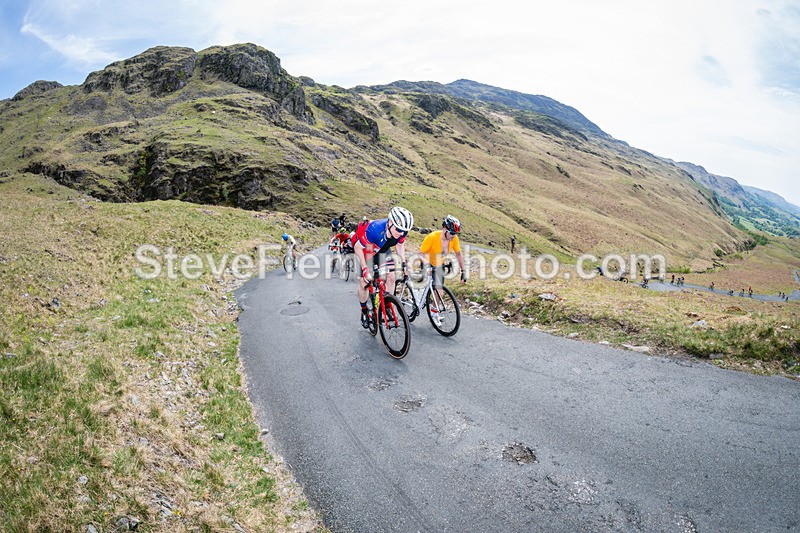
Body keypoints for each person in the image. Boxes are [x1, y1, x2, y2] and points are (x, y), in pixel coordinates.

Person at [353, 206, 414, 327]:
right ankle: (364, 311)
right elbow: (357, 248)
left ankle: (386, 305)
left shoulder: (401, 231)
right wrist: (364, 268)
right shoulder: (374, 229)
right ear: (390, 223)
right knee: (364, 284)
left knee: (391, 278)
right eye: (399, 230)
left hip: (382, 251)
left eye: (404, 231)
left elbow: (400, 245)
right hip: (366, 251)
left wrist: (404, 264)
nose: (401, 233)